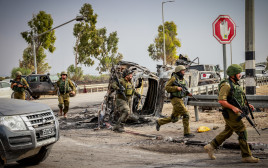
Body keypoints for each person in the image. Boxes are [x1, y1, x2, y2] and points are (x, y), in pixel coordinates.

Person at [204, 64, 259, 163]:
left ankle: (211, 146)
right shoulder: (226, 85)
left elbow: (238, 97)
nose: (240, 75)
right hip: (230, 113)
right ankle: (246, 156)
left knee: (228, 131)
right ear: (233, 74)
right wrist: (233, 108)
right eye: (238, 73)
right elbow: (221, 101)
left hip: (234, 112)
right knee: (242, 131)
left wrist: (247, 104)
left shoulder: (235, 84)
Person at [156, 65, 195, 138]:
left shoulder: (182, 79)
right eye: (183, 71)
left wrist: (187, 93)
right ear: (179, 71)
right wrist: (176, 88)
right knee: (186, 114)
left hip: (180, 99)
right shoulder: (173, 79)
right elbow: (166, 87)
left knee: (175, 118)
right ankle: (187, 133)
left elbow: (183, 89)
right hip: (175, 99)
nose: (184, 72)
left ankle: (159, 122)